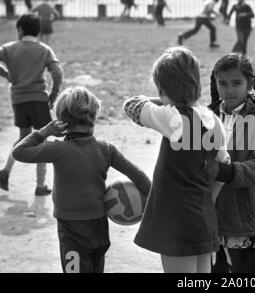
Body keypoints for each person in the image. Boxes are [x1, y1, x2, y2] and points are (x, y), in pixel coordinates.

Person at [12, 86, 151, 273]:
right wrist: (154, 204)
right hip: (99, 227)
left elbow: (19, 152)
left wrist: (44, 132)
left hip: (71, 230)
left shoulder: (57, 150)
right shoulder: (105, 149)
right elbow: (138, 175)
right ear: (94, 117)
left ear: (62, 121)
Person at [123, 47, 229, 273]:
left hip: (175, 219)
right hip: (203, 216)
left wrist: (163, 101)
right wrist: (208, 201)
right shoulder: (212, 120)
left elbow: (131, 105)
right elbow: (223, 169)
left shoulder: (172, 117)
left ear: (162, 89)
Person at [208, 53, 255, 273]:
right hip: (211, 219)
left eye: (237, 83)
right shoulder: (206, 117)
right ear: (215, 82)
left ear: (250, 84)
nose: (229, 90)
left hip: (246, 219)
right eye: (223, 83)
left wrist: (224, 172)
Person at [0, 13, 63, 214]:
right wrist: (53, 94)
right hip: (38, 100)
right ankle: (40, 185)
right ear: (38, 31)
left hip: (18, 100)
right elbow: (57, 72)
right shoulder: (44, 50)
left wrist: (6, 74)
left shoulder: (9, 49)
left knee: (23, 138)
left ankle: (5, 172)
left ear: (20, 30)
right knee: (41, 139)